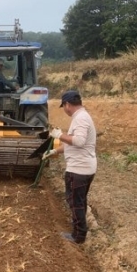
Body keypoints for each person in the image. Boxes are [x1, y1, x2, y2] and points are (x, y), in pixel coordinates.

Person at [42, 89, 97, 244]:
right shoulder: (82, 117)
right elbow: (72, 144)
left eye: (64, 106)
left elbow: (78, 141)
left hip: (79, 170)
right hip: (85, 168)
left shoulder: (80, 119)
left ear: (67, 105)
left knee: (75, 202)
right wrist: (54, 150)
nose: (65, 110)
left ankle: (78, 236)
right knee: (79, 201)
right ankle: (79, 230)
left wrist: (59, 135)